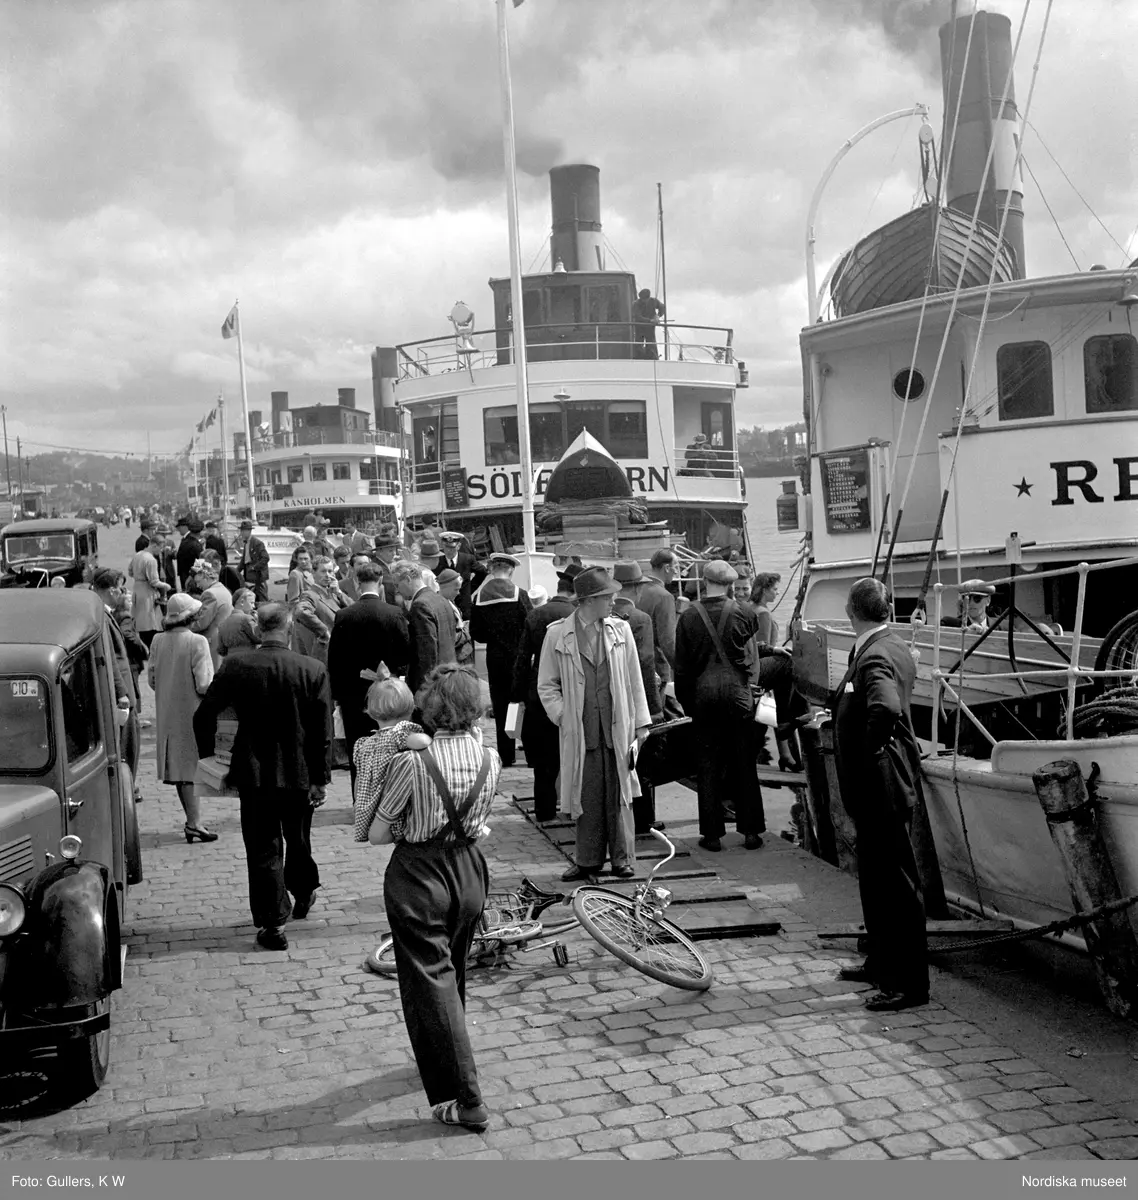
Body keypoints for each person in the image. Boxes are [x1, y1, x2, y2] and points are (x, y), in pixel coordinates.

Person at [366, 665, 500, 1134]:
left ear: (431, 707)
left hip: (419, 875)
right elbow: (480, 818)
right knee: (453, 972)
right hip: (469, 871)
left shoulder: (409, 762)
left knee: (431, 980)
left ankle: (468, 1100)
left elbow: (379, 834)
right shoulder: (490, 757)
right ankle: (443, 1057)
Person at [194, 603, 330, 951]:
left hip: (253, 771)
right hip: (298, 772)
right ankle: (302, 892)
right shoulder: (311, 668)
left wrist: (212, 759)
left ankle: (273, 922)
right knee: (298, 838)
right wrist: (320, 777)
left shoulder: (237, 665)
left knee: (263, 847)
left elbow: (204, 714)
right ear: (288, 629)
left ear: (259, 630)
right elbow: (321, 730)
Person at [832, 577, 929, 1012]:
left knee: (895, 884)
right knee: (875, 878)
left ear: (851, 612)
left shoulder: (873, 655)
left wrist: (867, 749)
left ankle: (909, 985)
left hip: (883, 784)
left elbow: (886, 707)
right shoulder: (891, 643)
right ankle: (880, 962)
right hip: (885, 783)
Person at [537, 567, 651, 881]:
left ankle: (622, 859)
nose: (614, 601)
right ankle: (587, 860)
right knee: (586, 795)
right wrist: (564, 715)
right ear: (588, 601)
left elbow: (634, 680)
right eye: (607, 597)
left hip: (617, 726)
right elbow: (546, 685)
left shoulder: (620, 630)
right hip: (581, 730)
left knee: (620, 792)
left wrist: (641, 723)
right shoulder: (557, 634)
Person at [675, 559, 765, 852]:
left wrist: (688, 703)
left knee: (708, 764)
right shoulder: (744, 612)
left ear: (704, 581)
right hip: (737, 691)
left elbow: (683, 668)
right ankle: (751, 831)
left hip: (703, 693)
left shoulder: (688, 617)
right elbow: (752, 650)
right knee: (744, 762)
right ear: (730, 585)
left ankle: (712, 835)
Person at [328, 561, 410, 793]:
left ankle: (361, 798)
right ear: (381, 582)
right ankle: (389, 796)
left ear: (356, 582)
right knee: (390, 746)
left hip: (354, 693)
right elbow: (405, 652)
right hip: (388, 690)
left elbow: (335, 659)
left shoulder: (344, 615)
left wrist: (338, 695)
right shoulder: (394, 613)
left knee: (358, 747)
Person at [512, 564, 578, 823]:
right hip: (571, 688)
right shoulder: (577, 615)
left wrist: (516, 695)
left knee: (544, 758)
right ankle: (573, 807)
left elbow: (522, 658)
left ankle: (544, 809)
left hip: (540, 690)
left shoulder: (536, 615)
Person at [148, 593, 217, 843]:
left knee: (179, 768)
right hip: (192, 711)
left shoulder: (157, 640)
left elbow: (152, 679)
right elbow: (204, 683)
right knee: (190, 768)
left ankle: (192, 821)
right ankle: (195, 823)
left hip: (167, 710)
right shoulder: (197, 642)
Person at [611, 562, 665, 836]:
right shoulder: (640, 618)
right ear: (636, 588)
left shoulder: (605, 614)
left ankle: (619, 814)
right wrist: (654, 709)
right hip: (635, 698)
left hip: (610, 696)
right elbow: (645, 664)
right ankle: (644, 820)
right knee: (642, 760)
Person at [469, 551, 533, 768]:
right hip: (518, 655)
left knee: (501, 704)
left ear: (492, 570)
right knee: (522, 702)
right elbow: (530, 625)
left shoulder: (479, 597)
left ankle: (506, 754)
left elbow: (476, 633)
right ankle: (530, 751)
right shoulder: (519, 594)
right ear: (511, 570)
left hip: (494, 657)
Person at [351, 673, 428, 841]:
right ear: (410, 708)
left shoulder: (364, 744)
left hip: (374, 813)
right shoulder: (400, 733)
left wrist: (359, 802)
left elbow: (359, 781)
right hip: (399, 812)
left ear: (371, 713)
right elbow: (422, 741)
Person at [747, 573, 807, 771]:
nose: (777, 592)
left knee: (774, 710)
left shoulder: (750, 608)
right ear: (764, 590)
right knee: (788, 671)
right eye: (774, 589)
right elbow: (763, 645)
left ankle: (785, 754)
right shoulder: (763, 613)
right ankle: (787, 731)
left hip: (754, 668)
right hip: (763, 668)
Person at [92, 569, 141, 788]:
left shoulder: (107, 613)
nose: (123, 593)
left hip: (124, 686)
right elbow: (111, 659)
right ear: (112, 591)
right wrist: (122, 693)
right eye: (121, 589)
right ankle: (127, 785)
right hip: (120, 690)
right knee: (126, 742)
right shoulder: (102, 615)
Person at [394, 560, 457, 697]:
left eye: (397, 584)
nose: (397, 590)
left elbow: (427, 653)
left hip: (433, 686)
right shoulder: (441, 600)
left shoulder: (419, 605)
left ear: (408, 579)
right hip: (449, 679)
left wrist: (423, 689)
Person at [293, 555, 349, 663]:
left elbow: (356, 611)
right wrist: (324, 631)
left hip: (339, 652)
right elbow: (301, 611)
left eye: (330, 571)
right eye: (323, 571)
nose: (328, 575)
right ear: (313, 573)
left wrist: (339, 593)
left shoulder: (334, 594)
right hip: (324, 655)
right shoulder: (310, 594)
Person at [636, 549, 678, 692]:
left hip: (636, 664)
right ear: (667, 568)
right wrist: (680, 668)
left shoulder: (639, 590)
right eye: (676, 567)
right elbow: (668, 641)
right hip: (657, 668)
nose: (677, 572)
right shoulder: (664, 596)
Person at [127, 528, 171, 648]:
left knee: (140, 619)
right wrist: (166, 586)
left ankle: (146, 643)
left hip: (137, 589)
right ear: (154, 545)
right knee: (151, 621)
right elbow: (154, 581)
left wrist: (139, 576)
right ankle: (152, 646)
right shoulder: (151, 560)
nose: (161, 551)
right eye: (160, 548)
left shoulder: (138, 555)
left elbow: (130, 572)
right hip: (146, 592)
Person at [191, 557, 234, 669]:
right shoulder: (224, 589)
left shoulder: (209, 594)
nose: (197, 586)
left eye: (198, 582)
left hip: (212, 640)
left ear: (205, 578)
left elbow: (201, 623)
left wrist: (185, 626)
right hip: (223, 637)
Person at [436, 568, 475, 666]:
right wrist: (467, 630)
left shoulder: (448, 601)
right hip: (457, 659)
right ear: (447, 587)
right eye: (456, 589)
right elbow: (452, 638)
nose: (458, 593)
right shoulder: (442, 606)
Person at [437, 531, 476, 620]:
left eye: (452, 548)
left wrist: (469, 587)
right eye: (446, 547)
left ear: (458, 546)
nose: (448, 550)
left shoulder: (467, 559)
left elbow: (483, 573)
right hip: (444, 606)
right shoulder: (438, 561)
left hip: (464, 606)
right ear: (443, 545)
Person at [218, 587, 261, 658]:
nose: (253, 606)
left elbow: (221, 650)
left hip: (230, 661)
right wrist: (258, 621)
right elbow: (259, 638)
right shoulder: (247, 619)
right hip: (248, 659)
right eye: (252, 603)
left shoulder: (223, 624)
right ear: (242, 602)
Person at [236, 519, 270, 602]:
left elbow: (266, 558)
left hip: (257, 575)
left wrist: (254, 567)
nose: (242, 533)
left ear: (249, 531)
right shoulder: (246, 543)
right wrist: (236, 571)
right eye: (242, 530)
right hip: (249, 574)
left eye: (244, 530)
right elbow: (244, 559)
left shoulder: (257, 543)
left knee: (262, 598)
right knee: (251, 597)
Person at [631, 287, 665, 359]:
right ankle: (638, 357)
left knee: (651, 342)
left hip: (650, 327)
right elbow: (638, 316)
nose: (643, 301)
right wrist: (650, 320)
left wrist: (658, 316)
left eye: (645, 299)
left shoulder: (653, 301)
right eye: (642, 299)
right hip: (639, 326)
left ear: (648, 298)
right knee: (639, 342)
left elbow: (662, 307)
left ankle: (652, 357)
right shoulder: (636, 304)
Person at [176, 516, 205, 593]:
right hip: (193, 579)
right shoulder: (197, 545)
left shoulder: (184, 542)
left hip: (183, 576)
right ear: (200, 532)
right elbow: (200, 564)